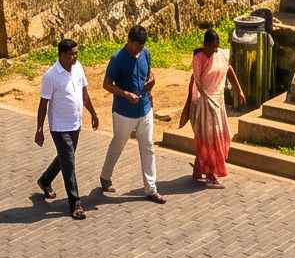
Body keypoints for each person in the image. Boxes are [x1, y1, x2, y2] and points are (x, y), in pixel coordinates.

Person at [32, 38, 99, 218]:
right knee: (69, 162)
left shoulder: (78, 68)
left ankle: (45, 180)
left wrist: (93, 113)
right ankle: (75, 204)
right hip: (59, 127)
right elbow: (43, 104)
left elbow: (84, 94)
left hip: (75, 124)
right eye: (72, 54)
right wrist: (39, 129)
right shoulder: (51, 75)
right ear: (62, 55)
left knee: (65, 157)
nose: (75, 57)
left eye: (76, 53)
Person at [96, 25, 163, 204]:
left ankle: (151, 189)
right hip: (124, 113)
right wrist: (125, 94)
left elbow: (149, 73)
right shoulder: (117, 59)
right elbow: (107, 84)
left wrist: (151, 82)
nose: (139, 50)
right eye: (137, 46)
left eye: (142, 46)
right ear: (129, 41)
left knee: (148, 147)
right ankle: (105, 175)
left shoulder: (145, 53)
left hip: (145, 109)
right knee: (118, 144)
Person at [178, 27, 243, 185]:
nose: (213, 50)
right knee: (209, 140)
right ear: (204, 44)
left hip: (218, 103)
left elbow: (229, 70)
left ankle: (200, 168)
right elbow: (198, 83)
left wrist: (239, 90)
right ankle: (211, 173)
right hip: (205, 104)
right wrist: (205, 100)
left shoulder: (221, 54)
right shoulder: (198, 59)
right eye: (211, 46)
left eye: (216, 46)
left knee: (223, 136)